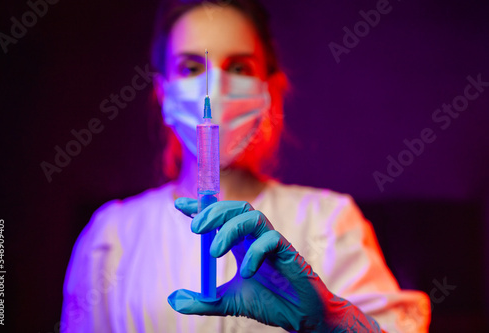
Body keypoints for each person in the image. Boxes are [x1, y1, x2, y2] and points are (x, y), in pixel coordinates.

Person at [61, 0, 431, 332]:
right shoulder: (113, 235)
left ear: (269, 89)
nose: (215, 88)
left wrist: (332, 322)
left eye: (238, 66)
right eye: (191, 67)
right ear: (162, 92)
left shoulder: (328, 222)